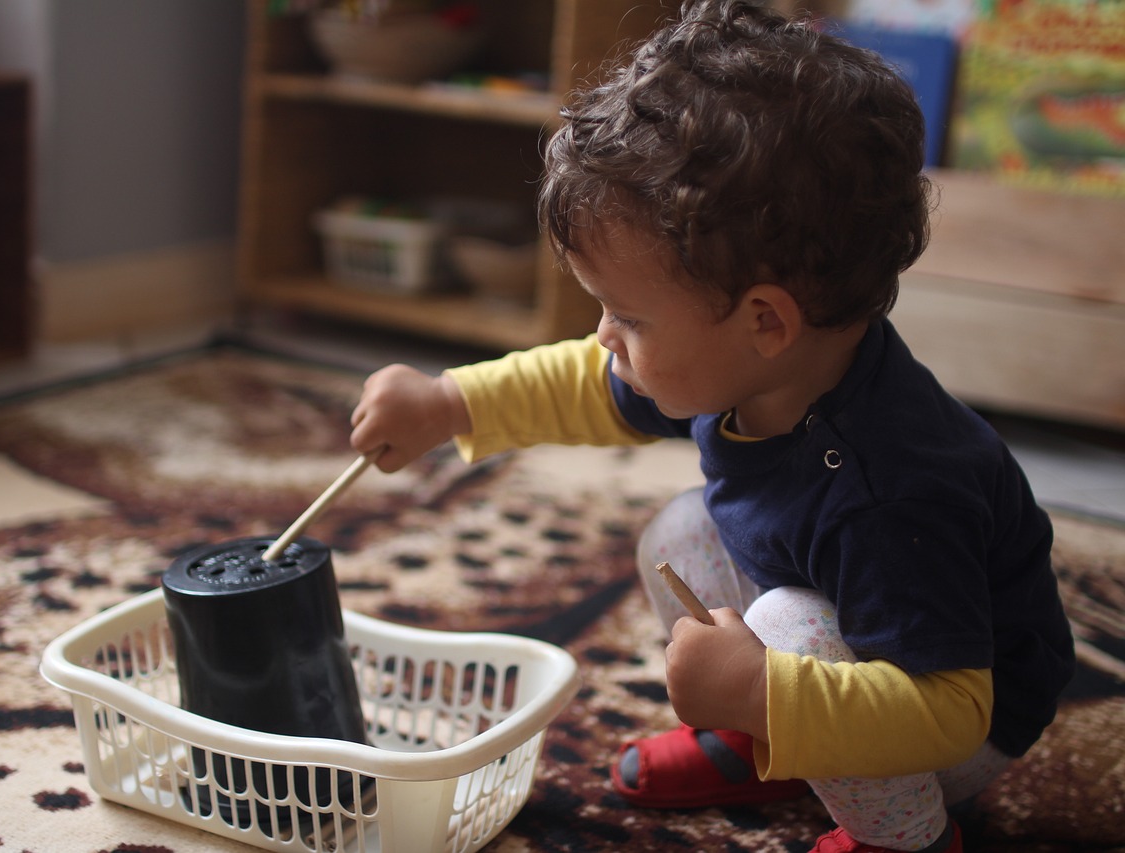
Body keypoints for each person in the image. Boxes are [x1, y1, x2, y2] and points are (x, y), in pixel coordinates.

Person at [348, 2, 1075, 850]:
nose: (604, 336)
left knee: (786, 629)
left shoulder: (892, 490)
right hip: (843, 647)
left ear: (765, 320)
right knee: (683, 529)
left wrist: (765, 686)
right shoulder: (756, 359)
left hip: (952, 728)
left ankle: (901, 835)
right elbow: (591, 385)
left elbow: (950, 713)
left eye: (628, 315)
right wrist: (447, 404)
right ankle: (760, 749)